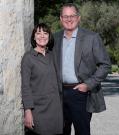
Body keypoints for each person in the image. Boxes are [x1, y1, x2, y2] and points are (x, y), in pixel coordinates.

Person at [53, 3, 111, 135]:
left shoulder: (92, 38)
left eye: (72, 16)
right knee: (60, 131)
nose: (69, 19)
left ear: (78, 17)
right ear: (61, 19)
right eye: (65, 16)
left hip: (81, 93)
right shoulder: (54, 38)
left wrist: (88, 84)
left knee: (82, 131)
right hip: (58, 93)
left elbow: (105, 65)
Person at [21, 23, 63, 135]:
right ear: (34, 37)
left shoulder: (52, 55)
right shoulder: (28, 58)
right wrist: (28, 111)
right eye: (38, 33)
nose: (42, 36)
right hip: (38, 110)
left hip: (55, 109)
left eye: (45, 33)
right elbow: (25, 87)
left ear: (49, 37)